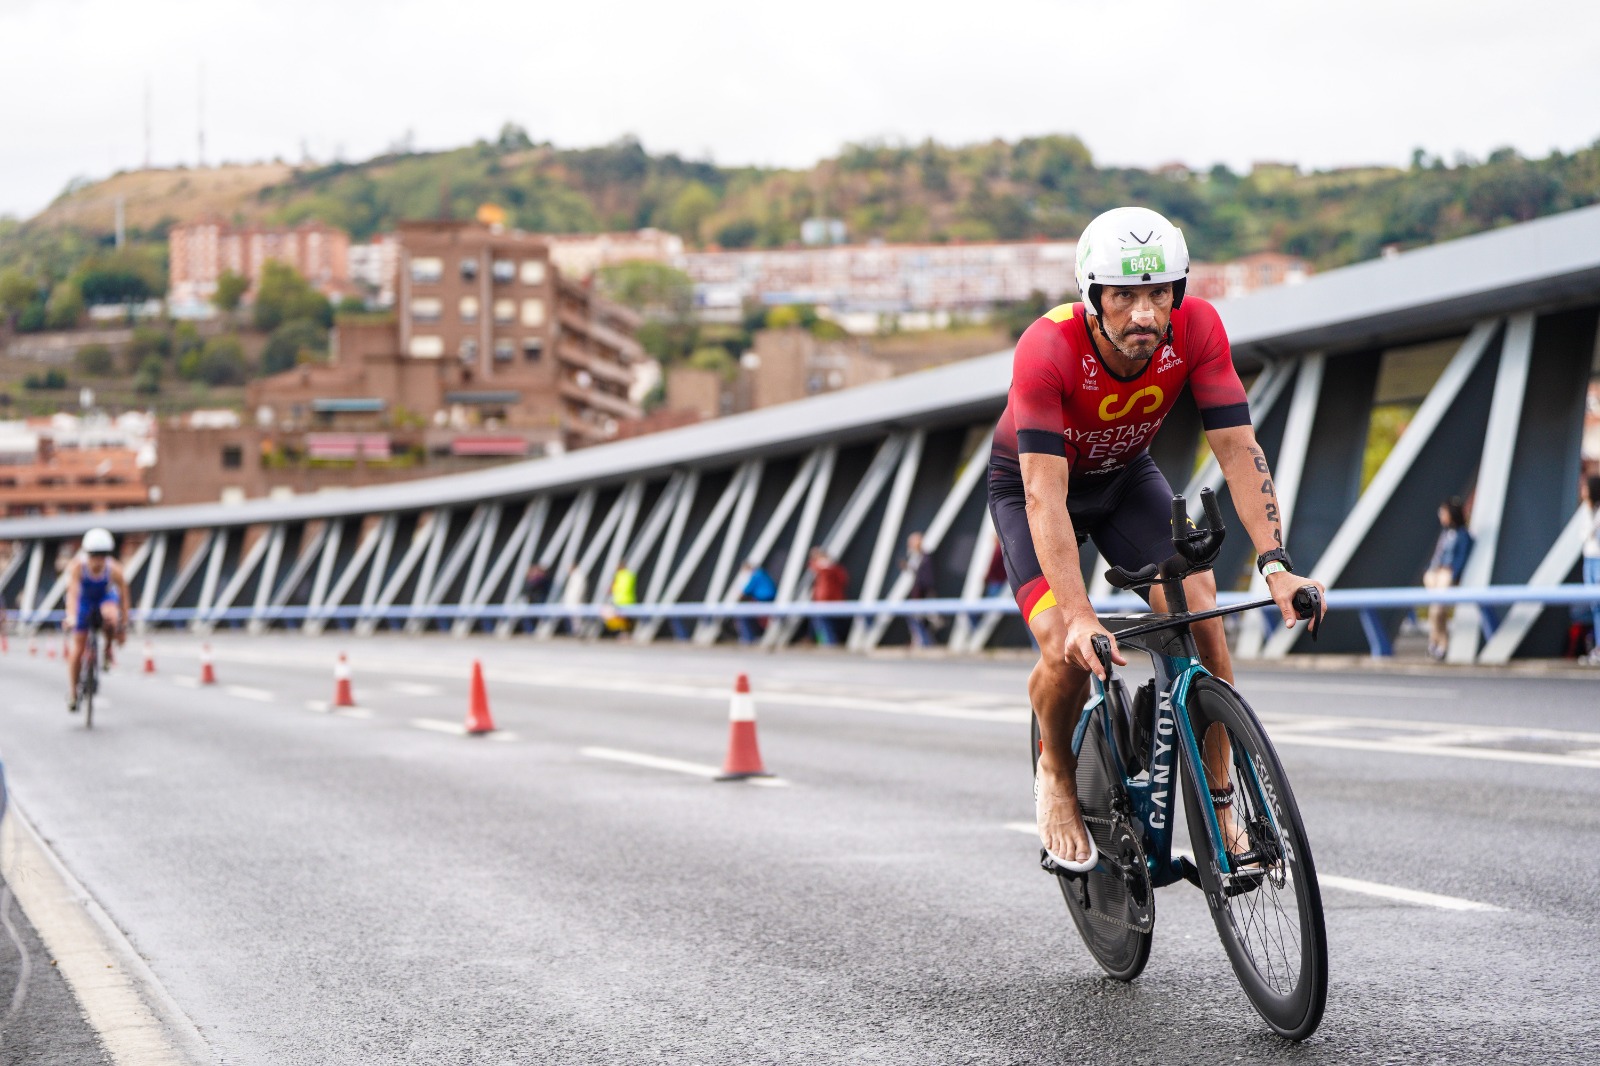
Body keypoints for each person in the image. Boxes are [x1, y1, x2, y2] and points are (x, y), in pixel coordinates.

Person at [987, 206, 1326, 872]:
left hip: (1123, 481)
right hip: (1036, 489)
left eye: (1158, 293)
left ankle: (1222, 797)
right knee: (1063, 644)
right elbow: (1042, 495)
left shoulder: (1197, 330)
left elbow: (1236, 448)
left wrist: (1278, 566)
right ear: (1092, 297)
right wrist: (1082, 615)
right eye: (1125, 296)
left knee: (1201, 611)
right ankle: (1055, 769)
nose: (1145, 313)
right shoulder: (1048, 347)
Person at [64, 527, 130, 713]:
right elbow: (73, 594)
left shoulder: (114, 569)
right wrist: (71, 616)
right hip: (84, 602)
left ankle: (107, 649)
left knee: (110, 615)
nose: (98, 560)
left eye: (102, 555)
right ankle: (73, 692)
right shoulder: (78, 567)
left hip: (104, 599)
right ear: (87, 554)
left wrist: (123, 624)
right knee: (78, 647)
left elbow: (124, 597)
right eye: (94, 555)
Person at [1422, 497, 1473, 660]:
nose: (1441, 516)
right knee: (1437, 610)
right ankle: (1439, 643)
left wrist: (1452, 572)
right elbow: (1437, 557)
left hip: (1447, 575)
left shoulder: (1463, 535)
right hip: (1435, 574)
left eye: (1443, 513)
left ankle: (1437, 642)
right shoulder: (1445, 534)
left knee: (1437, 610)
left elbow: (1460, 559)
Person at [901, 531, 939, 647]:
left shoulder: (924, 557)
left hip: (922, 594)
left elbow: (925, 578)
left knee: (919, 619)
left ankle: (924, 642)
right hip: (918, 593)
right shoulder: (916, 557)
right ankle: (923, 641)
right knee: (919, 619)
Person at [807, 547, 848, 645]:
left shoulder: (824, 569)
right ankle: (819, 640)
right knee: (823, 623)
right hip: (832, 600)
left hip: (825, 601)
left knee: (823, 624)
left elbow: (814, 566)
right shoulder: (836, 569)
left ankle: (828, 643)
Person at [734, 559, 776, 644]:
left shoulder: (756, 575)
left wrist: (737, 599)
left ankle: (748, 638)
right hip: (769, 600)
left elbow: (746, 590)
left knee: (743, 615)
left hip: (763, 601)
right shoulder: (762, 573)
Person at [1581, 476, 1600, 665]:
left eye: (1585, 487)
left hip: (1598, 560)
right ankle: (1597, 647)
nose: (1582, 491)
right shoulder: (1586, 510)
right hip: (1589, 559)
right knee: (1595, 606)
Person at [604, 561, 637, 634]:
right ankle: (626, 633)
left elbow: (611, 589)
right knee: (627, 619)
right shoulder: (630, 575)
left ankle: (619, 633)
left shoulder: (618, 575)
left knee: (619, 618)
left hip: (619, 600)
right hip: (629, 600)